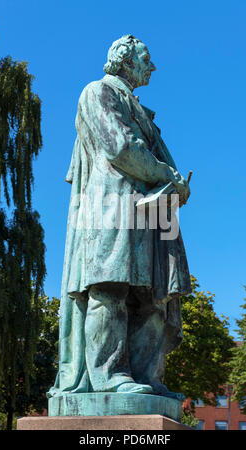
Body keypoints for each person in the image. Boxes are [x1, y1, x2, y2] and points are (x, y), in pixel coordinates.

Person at [48, 35, 191, 399]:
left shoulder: (143, 110)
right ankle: (109, 375)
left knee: (154, 298)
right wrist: (165, 175)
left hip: (156, 213)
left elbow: (162, 163)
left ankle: (147, 379)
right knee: (110, 289)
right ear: (126, 60)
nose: (152, 67)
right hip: (113, 205)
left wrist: (177, 186)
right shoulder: (98, 92)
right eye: (146, 59)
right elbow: (121, 147)